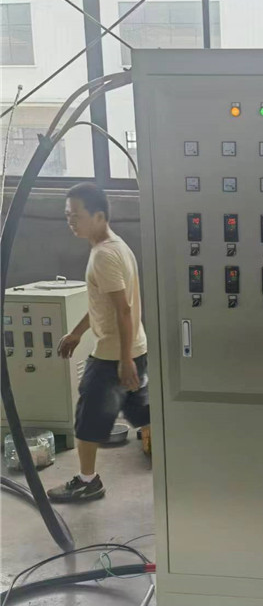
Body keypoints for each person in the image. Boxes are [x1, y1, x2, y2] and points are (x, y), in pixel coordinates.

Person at [48, 182, 149, 503]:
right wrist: (77, 332)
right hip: (133, 348)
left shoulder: (104, 255)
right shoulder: (115, 246)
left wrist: (124, 360)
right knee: (144, 414)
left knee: (87, 422)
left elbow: (123, 310)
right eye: (67, 215)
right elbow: (102, 305)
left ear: (99, 216)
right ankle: (179, 463)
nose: (71, 221)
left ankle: (87, 481)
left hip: (112, 356)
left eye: (76, 215)